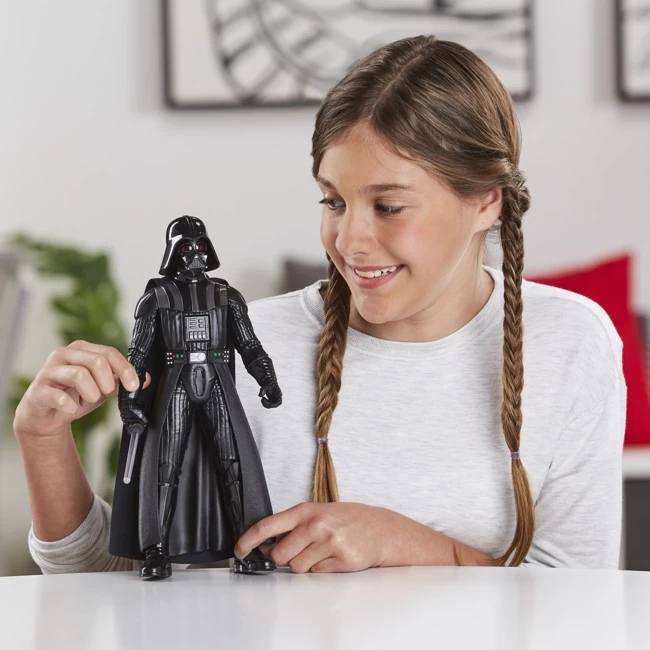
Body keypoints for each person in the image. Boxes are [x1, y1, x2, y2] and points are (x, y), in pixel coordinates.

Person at [14, 35, 625, 574]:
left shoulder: (570, 341)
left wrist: (400, 542)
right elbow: (120, 583)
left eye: (388, 206)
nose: (350, 241)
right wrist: (43, 442)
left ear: (487, 202)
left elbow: (581, 599)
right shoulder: (246, 347)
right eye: (333, 201)